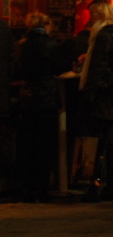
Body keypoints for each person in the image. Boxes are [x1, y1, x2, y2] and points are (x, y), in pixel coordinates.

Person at [78, 2, 113, 201]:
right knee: (110, 139)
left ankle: (97, 184)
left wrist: (89, 93)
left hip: (103, 96)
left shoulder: (102, 36)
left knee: (99, 142)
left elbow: (98, 67)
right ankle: (111, 184)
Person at [14, 13, 63, 201]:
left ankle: (27, 188)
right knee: (43, 143)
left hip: (26, 95)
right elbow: (58, 68)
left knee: (27, 143)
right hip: (46, 95)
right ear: (46, 25)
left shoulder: (21, 45)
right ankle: (42, 188)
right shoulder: (50, 45)